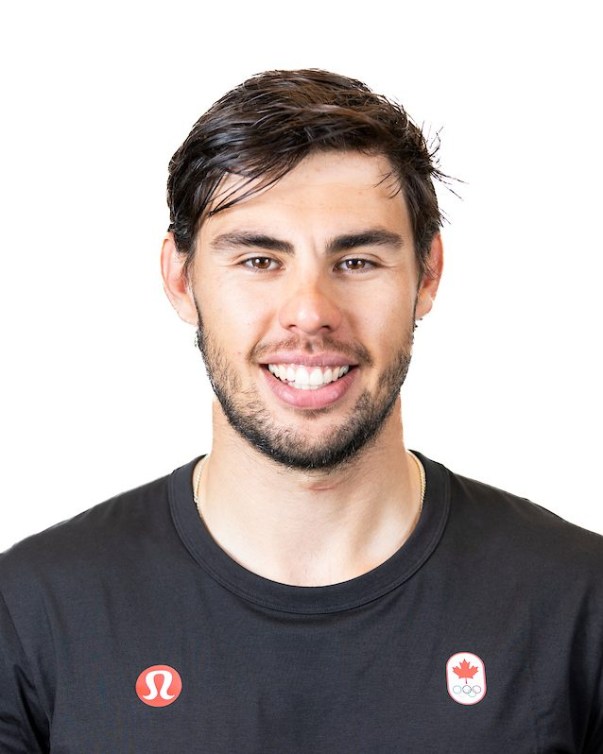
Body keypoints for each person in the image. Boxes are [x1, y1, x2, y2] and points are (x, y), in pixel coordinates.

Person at [1, 69, 602, 753]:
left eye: (357, 261)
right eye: (260, 260)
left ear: (427, 274)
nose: (310, 313)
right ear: (181, 278)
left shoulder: (577, 604)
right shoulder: (34, 614)